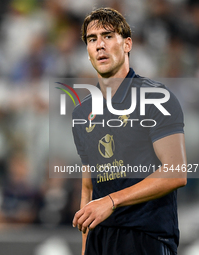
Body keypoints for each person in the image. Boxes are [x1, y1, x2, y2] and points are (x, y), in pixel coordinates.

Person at [71, 7, 187, 255]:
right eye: (92, 40)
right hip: (100, 242)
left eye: (108, 36)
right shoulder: (82, 114)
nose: (99, 45)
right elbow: (89, 189)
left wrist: (112, 201)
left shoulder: (156, 98)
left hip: (146, 239)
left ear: (127, 44)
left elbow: (176, 172)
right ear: (88, 51)